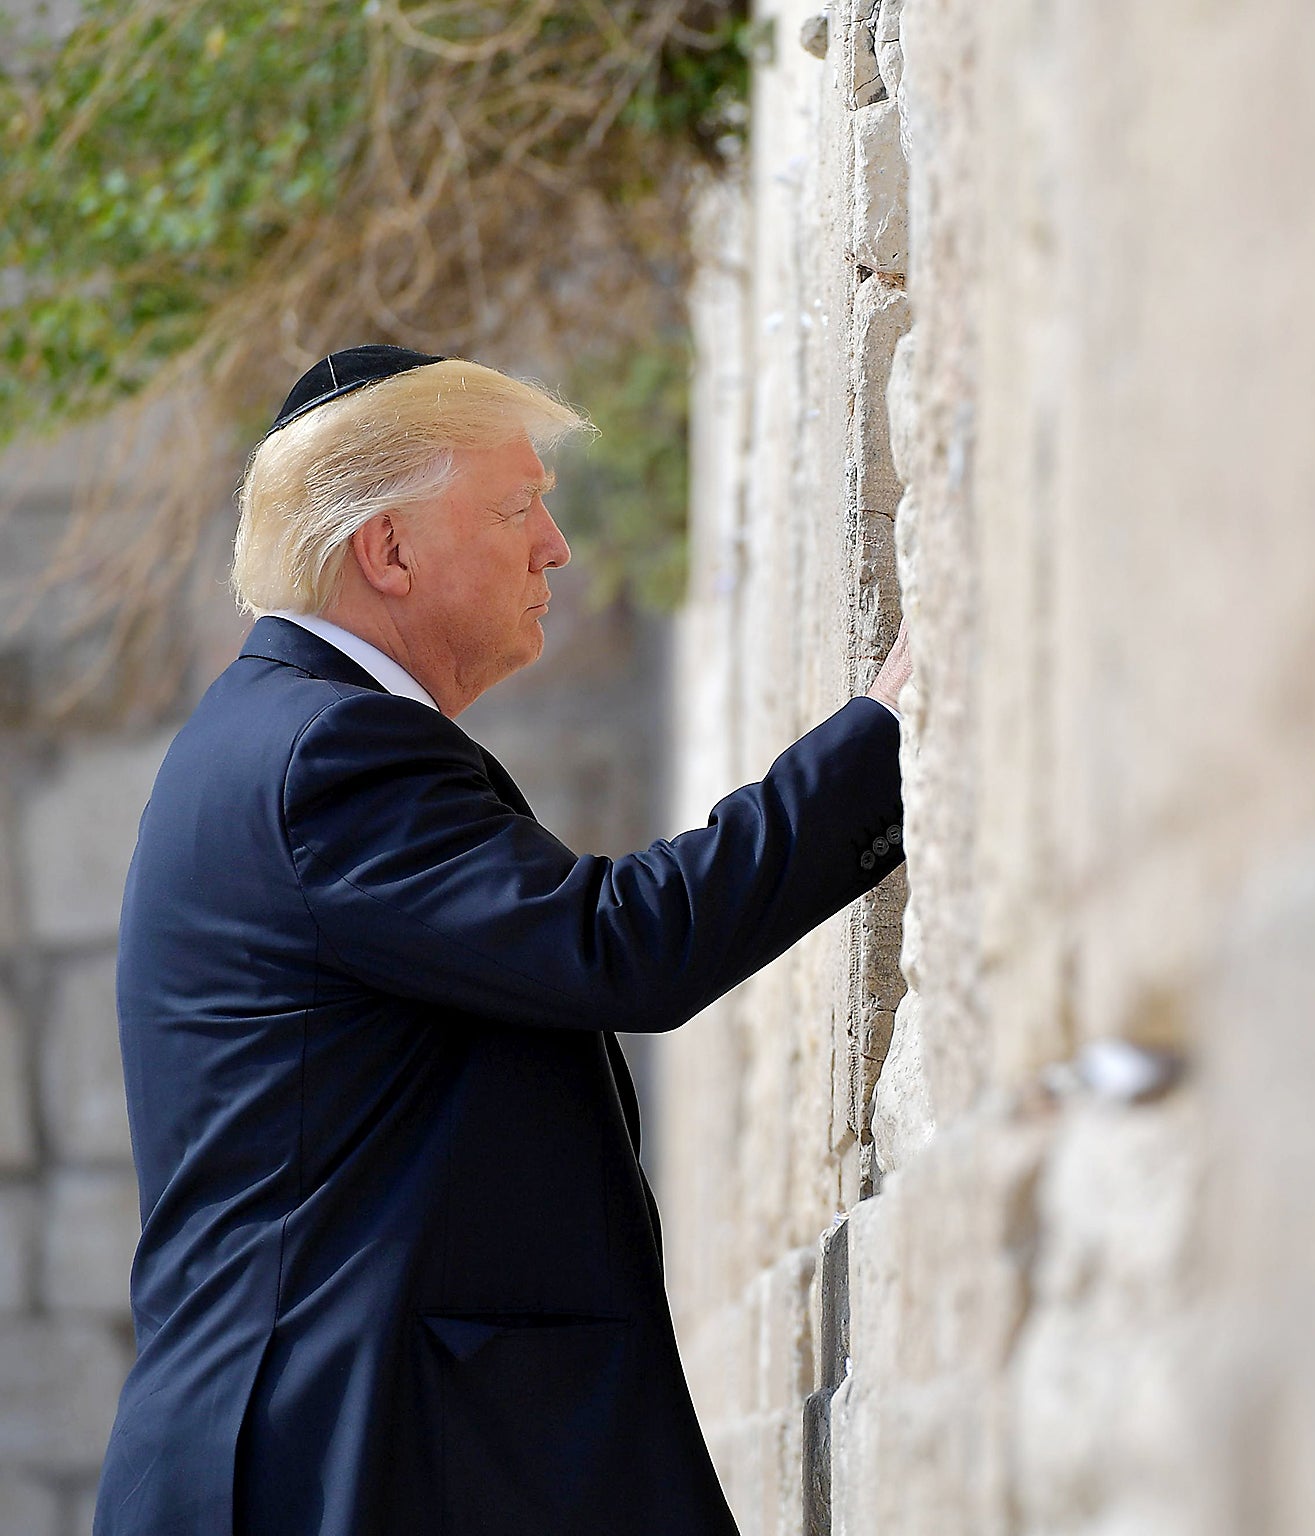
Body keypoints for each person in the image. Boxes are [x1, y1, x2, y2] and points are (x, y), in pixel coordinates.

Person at [92, 345, 911, 1536]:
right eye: (517, 505)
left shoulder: (280, 735)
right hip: (340, 1463)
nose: (554, 546)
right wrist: (888, 732)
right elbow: (623, 945)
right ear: (389, 550)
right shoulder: (327, 755)